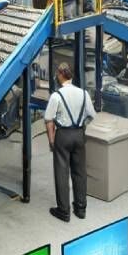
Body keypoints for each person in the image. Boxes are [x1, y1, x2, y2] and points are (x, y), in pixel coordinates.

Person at [44, 62, 95, 222]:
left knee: (62, 172)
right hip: (79, 134)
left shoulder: (56, 96)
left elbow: (49, 120)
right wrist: (81, 127)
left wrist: (52, 140)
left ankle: (64, 211)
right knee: (80, 172)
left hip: (63, 136)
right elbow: (91, 115)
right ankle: (81, 209)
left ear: (60, 75)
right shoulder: (84, 93)